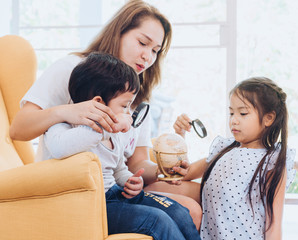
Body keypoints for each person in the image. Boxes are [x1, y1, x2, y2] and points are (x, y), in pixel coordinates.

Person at [10, 0, 202, 230]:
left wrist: (165, 170)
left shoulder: (137, 96)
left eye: (155, 51)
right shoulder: (73, 69)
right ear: (119, 33)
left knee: (194, 203)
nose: (147, 57)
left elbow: (136, 161)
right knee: (169, 216)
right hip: (73, 189)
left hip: (116, 185)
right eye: (142, 43)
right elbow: (18, 129)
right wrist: (69, 112)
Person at [42, 52, 200, 239]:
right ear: (99, 103)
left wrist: (130, 181)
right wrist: (106, 127)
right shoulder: (64, 127)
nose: (128, 112)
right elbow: (60, 148)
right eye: (125, 105)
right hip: (90, 205)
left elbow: (118, 170)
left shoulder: (115, 136)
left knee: (179, 212)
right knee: (157, 221)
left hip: (116, 195)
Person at [173, 77, 296, 239]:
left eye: (243, 113)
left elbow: (273, 225)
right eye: (231, 112)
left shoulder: (271, 161)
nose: (234, 120)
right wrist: (180, 136)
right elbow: (183, 173)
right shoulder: (224, 150)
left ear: (269, 118)